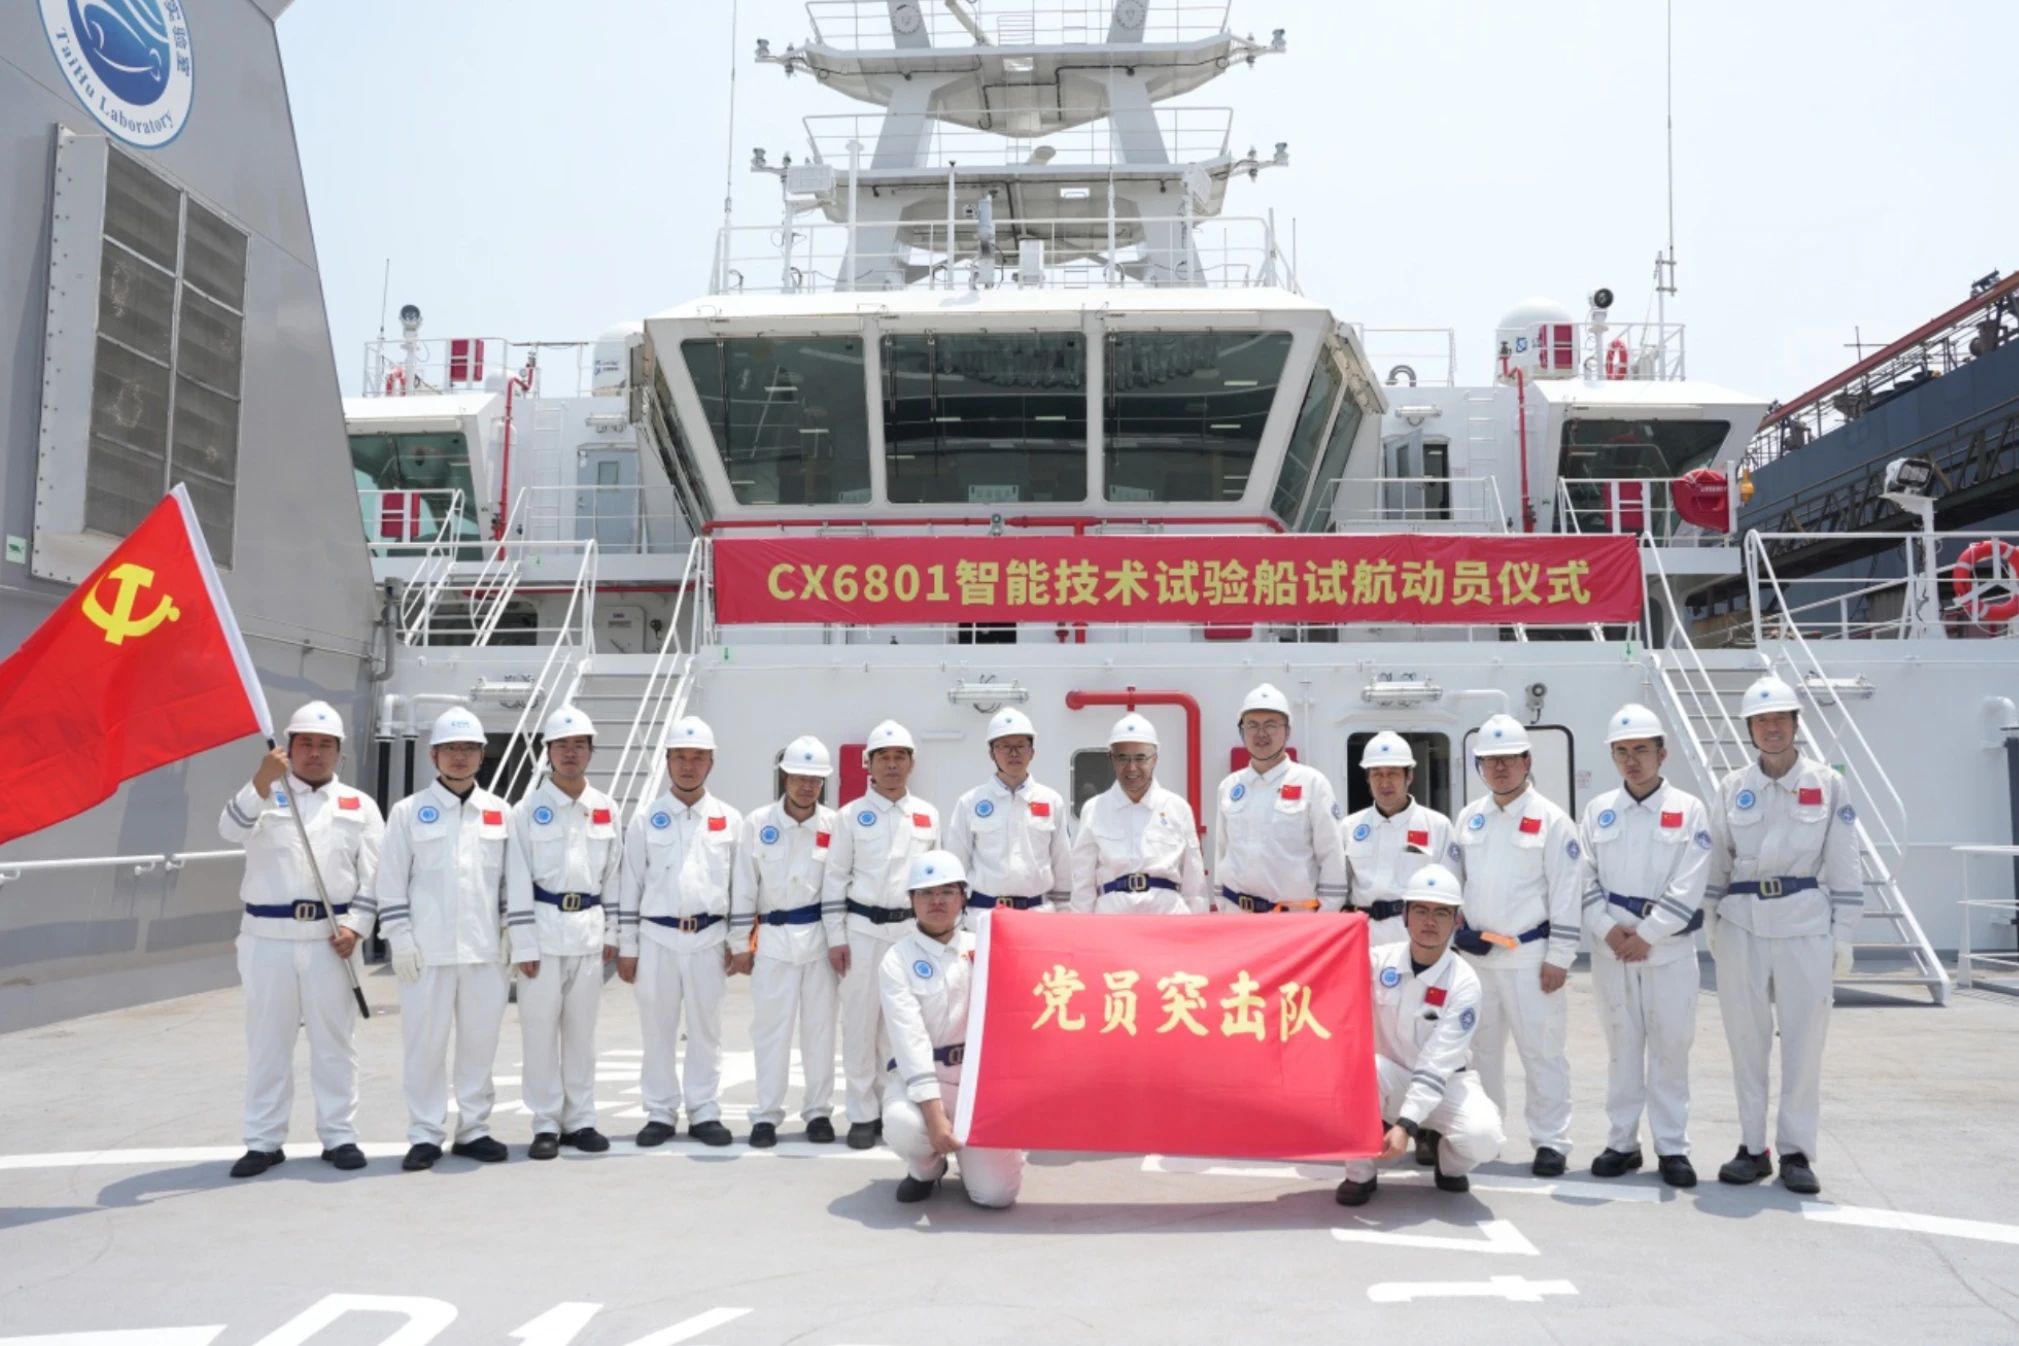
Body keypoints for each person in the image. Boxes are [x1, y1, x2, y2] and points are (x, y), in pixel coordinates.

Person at [1704, 674, 1864, 1195]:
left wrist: (1844, 934)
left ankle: (1796, 1152)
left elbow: (1844, 862)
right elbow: (1717, 860)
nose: (1771, 728)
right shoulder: (1733, 788)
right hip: (1742, 924)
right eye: (1760, 721)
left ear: (1796, 724)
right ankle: (1752, 1149)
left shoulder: (1828, 783)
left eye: (1780, 719)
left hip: (1804, 925)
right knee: (1745, 1042)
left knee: (1804, 1043)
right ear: (1749, 729)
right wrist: (1711, 919)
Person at [217, 700, 383, 1178]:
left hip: (332, 940)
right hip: (267, 939)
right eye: (306, 743)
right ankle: (264, 1141)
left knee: (335, 1043)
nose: (315, 752)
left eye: (325, 745)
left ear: (339, 753)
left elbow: (376, 875)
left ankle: (339, 1135)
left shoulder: (359, 806)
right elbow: (228, 830)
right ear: (287, 749)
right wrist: (259, 781)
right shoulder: (262, 795)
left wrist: (357, 926)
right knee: (268, 1043)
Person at [1577, 704, 1712, 1187]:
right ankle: (1622, 1143)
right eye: (1621, 752)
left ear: (1662, 753)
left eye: (1640, 750)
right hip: (1612, 950)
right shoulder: (1598, 811)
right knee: (1622, 1048)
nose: (1631, 761)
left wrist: (1648, 934)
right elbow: (1583, 877)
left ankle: (1672, 1147)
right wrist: (1607, 929)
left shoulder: (1689, 810)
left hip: (1667, 951)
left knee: (1671, 1049)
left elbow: (1690, 883)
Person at [372, 707, 513, 1171]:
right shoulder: (408, 812)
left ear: (482, 755)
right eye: (451, 748)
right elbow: (390, 881)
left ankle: (474, 1130)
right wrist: (400, 940)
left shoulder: (499, 813)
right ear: (433, 755)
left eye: (469, 748)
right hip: (425, 954)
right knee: (424, 1048)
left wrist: (511, 930)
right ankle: (425, 1134)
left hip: (484, 952)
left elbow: (510, 883)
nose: (460, 756)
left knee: (479, 1046)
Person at [1449, 713, 1581, 1177]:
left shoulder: (1553, 821)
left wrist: (1560, 958)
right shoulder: (1469, 818)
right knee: (1480, 1054)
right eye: (1490, 760)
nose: (1500, 768)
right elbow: (1456, 882)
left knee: (1542, 1053)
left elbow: (1567, 893)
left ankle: (1551, 1141)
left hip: (1530, 958)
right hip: (1478, 959)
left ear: (1527, 761)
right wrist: (1457, 932)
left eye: (1508, 759)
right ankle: (1487, 1136)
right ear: (1479, 766)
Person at [1336, 864, 1505, 1207]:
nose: (1430, 921)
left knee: (1485, 1138)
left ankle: (1447, 1160)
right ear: (1405, 916)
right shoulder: (1376, 961)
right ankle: (1360, 1173)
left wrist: (1407, 1124)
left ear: (1457, 921)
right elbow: (1326, 971)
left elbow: (1436, 1062)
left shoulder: (1465, 982)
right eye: (1421, 910)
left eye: (1441, 913)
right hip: (1388, 1079)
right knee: (1359, 1070)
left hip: (1445, 1084)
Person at [618, 714, 743, 1148]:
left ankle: (704, 1110)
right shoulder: (645, 819)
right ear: (667, 761)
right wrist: (627, 946)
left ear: (711, 762)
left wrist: (738, 942)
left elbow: (739, 887)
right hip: (656, 938)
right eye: (680, 757)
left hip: (709, 938)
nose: (688, 766)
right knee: (657, 1029)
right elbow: (630, 885)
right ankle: (660, 1111)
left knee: (707, 1030)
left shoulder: (729, 819)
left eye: (697, 757)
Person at [504, 705, 622, 1160]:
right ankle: (545, 1123)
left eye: (579, 745)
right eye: (561, 745)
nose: (570, 753)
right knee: (538, 1034)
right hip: (542, 932)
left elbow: (613, 875)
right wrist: (523, 942)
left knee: (581, 1034)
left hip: (588, 933)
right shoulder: (526, 810)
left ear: (591, 752)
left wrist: (612, 932)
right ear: (547, 752)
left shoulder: (605, 808)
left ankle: (581, 1120)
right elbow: (516, 877)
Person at [879, 849, 1025, 1208]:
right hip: (923, 1081)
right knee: (906, 1126)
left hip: (978, 1084)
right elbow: (910, 1041)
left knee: (995, 1196)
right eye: (926, 893)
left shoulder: (986, 948)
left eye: (947, 891)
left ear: (963, 897)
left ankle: (976, 1159)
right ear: (911, 900)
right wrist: (933, 1117)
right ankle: (926, 1169)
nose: (937, 901)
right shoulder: (897, 959)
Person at [822, 719, 941, 1149]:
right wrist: (836, 937)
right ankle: (861, 1113)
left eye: (900, 757)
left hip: (909, 932)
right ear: (868, 764)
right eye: (883, 757)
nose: (892, 765)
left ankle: (896, 1111)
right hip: (862, 932)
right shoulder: (850, 816)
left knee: (902, 1027)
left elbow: (935, 881)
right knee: (859, 1024)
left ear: (912, 763)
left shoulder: (928, 814)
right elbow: (835, 878)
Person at [730, 735, 842, 1148]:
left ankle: (818, 1112)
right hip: (774, 941)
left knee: (820, 1033)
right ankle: (766, 1114)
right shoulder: (758, 823)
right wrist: (739, 943)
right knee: (770, 1033)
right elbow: (744, 885)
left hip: (819, 940)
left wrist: (840, 941)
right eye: (799, 777)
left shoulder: (835, 825)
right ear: (784, 777)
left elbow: (839, 885)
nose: (806, 786)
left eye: (814, 779)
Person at [1212, 683, 1348, 914]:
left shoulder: (1312, 783)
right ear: (1241, 730)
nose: (1261, 733)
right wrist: (1222, 904)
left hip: (1292, 920)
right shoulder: (1229, 787)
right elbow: (1221, 851)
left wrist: (1323, 918)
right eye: (1252, 725)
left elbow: (1331, 856)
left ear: (1287, 731)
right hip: (1237, 916)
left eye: (1271, 725)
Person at [944, 708, 1072, 931]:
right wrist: (955, 923)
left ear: (1032, 752)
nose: (1013, 753)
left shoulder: (1051, 801)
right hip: (984, 919)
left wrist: (1064, 917)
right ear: (991, 753)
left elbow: (1062, 862)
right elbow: (956, 865)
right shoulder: (970, 802)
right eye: (1004, 746)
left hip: (1038, 918)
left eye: (1020, 746)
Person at [1069, 713, 1206, 914]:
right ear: (1111, 759)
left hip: (1167, 919)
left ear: (1155, 759)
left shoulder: (1177, 808)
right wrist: (1081, 928)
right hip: (1113, 922)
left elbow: (1194, 884)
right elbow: (1082, 882)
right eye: (1122, 758)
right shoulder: (1094, 809)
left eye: (1141, 758)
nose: (1132, 767)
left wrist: (1198, 928)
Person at [1341, 731, 1458, 946]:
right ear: (1367, 778)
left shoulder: (1437, 826)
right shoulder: (1349, 827)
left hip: (1413, 938)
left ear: (1409, 776)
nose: (1384, 782)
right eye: (1377, 774)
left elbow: (1451, 892)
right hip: (1361, 937)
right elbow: (1340, 889)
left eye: (1393, 773)